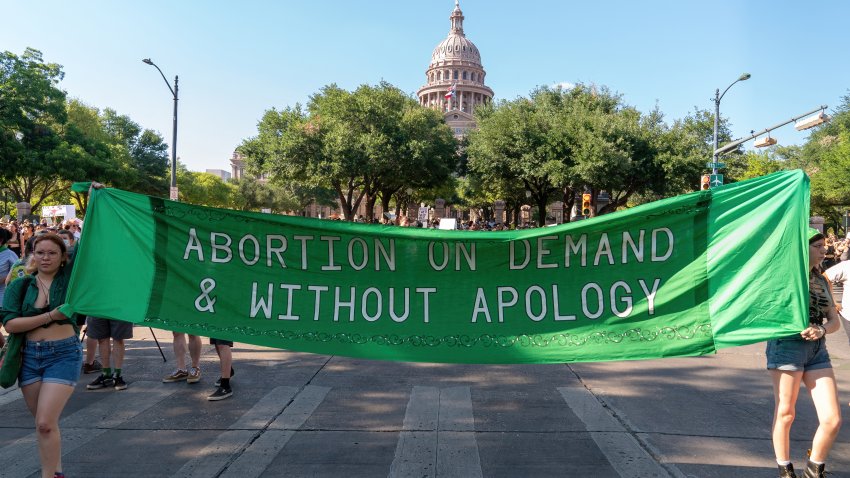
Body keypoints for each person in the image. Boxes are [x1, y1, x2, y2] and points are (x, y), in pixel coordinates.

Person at [1, 233, 81, 478]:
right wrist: (50, 316)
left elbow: (88, 241)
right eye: (40, 252)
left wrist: (93, 196)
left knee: (45, 422)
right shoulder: (20, 284)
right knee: (43, 425)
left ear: (63, 257)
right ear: (32, 255)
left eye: (52, 253)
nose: (46, 257)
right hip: (29, 357)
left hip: (64, 354)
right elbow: (11, 324)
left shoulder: (71, 279)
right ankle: (55, 472)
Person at [767, 228, 842, 478]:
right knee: (786, 413)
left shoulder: (823, 280)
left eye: (824, 246)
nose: (824, 250)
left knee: (832, 418)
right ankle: (785, 469)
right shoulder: (784, 277)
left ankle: (814, 468)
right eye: (817, 246)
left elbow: (834, 321)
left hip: (817, 350)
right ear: (802, 248)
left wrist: (821, 330)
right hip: (787, 346)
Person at [85, 316, 132, 391]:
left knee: (118, 338)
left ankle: (117, 375)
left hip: (121, 306)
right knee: (101, 339)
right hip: (97, 307)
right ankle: (106, 374)